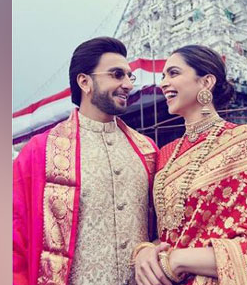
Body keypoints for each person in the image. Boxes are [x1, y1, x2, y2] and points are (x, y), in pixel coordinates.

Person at [14, 37, 159, 285]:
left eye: (129, 76)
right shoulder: (42, 151)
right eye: (116, 75)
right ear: (84, 82)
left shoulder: (147, 151)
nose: (127, 84)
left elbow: (164, 227)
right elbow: (14, 237)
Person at [133, 45, 247, 285]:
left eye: (173, 73)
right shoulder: (164, 155)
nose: (164, 83)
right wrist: (146, 251)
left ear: (206, 82)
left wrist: (180, 259)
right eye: (163, 76)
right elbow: (164, 233)